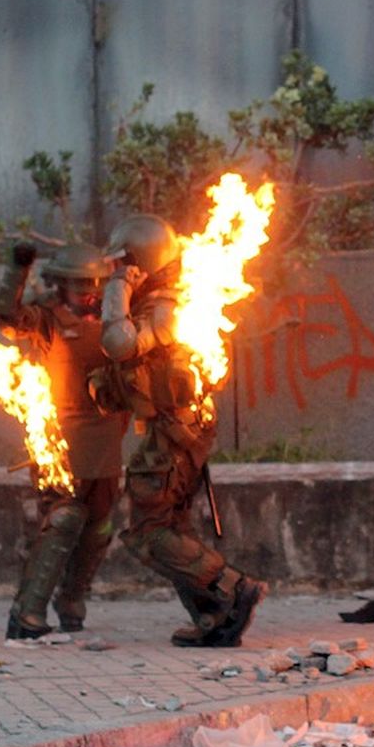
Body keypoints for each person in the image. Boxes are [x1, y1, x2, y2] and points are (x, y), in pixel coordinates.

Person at [97, 214, 266, 648]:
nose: (116, 270)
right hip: (173, 432)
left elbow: (119, 344)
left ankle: (232, 586)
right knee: (173, 527)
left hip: (172, 437)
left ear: (142, 262)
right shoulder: (160, 302)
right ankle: (214, 617)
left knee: (148, 533)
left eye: (126, 262)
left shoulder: (165, 309)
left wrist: (118, 288)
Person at [0, 242, 130, 639]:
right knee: (62, 520)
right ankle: (27, 612)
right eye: (80, 288)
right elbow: (7, 317)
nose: (90, 296)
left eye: (96, 287)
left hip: (106, 437)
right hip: (59, 438)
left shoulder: (116, 318)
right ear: (61, 286)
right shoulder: (46, 318)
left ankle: (73, 600)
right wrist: (17, 269)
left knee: (100, 527)